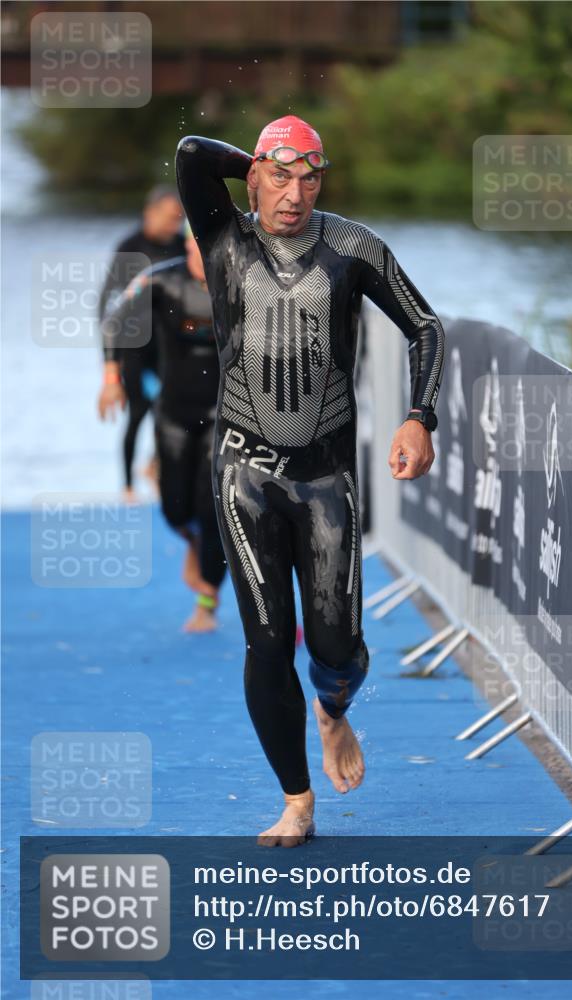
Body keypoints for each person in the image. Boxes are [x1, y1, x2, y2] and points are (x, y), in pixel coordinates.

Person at [176, 115, 445, 846]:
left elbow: (425, 326)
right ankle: (296, 799)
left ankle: (333, 711)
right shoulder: (225, 238)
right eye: (279, 176)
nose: (294, 193)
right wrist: (260, 160)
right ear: (254, 176)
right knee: (267, 645)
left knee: (336, 652)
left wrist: (419, 416)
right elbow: (191, 154)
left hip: (326, 481)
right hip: (243, 475)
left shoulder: (352, 248)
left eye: (309, 177)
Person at [98, 227, 227, 632]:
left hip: (224, 414)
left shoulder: (241, 280)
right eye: (197, 246)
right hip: (173, 412)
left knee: (213, 511)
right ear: (187, 244)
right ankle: (190, 541)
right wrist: (112, 376)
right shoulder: (160, 279)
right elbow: (115, 320)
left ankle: (207, 599)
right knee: (176, 510)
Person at [99, 186, 185, 501]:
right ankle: (127, 485)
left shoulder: (180, 246)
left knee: (174, 411)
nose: (173, 226)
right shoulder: (129, 248)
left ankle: (155, 466)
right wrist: (110, 366)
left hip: (170, 347)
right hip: (134, 347)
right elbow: (106, 306)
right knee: (138, 413)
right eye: (168, 218)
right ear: (149, 213)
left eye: (178, 220)